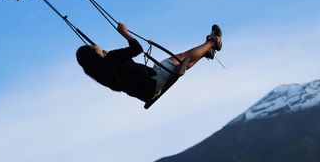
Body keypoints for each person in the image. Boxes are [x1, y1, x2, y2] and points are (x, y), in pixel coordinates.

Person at [76, 23, 222, 103]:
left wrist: (106, 55)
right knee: (182, 57)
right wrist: (124, 32)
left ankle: (205, 53)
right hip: (154, 79)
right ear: (93, 53)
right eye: (92, 47)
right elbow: (137, 48)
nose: (94, 45)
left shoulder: (103, 74)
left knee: (177, 65)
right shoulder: (112, 58)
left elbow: (119, 69)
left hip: (148, 91)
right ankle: (213, 41)